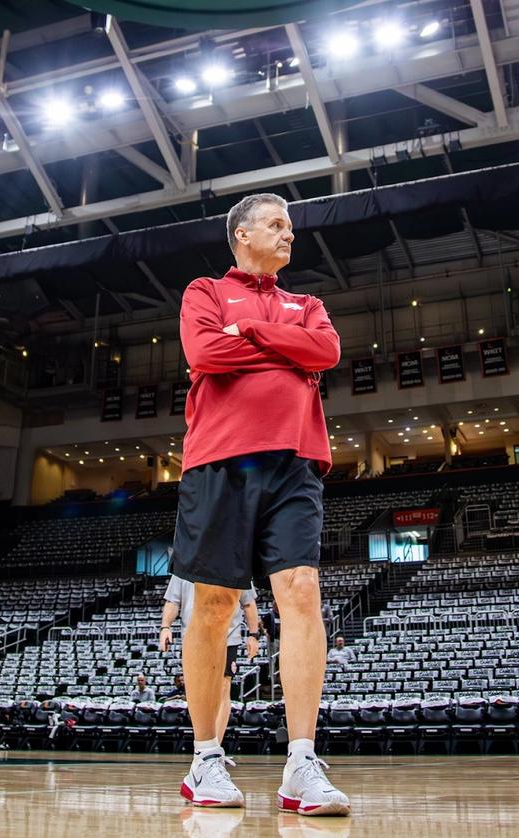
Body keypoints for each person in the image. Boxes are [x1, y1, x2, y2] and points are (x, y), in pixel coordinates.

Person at [171, 193, 349, 816]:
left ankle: (301, 763)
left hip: (297, 460)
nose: (289, 235)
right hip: (220, 460)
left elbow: (325, 353)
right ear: (241, 235)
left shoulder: (311, 305)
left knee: (301, 590)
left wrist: (251, 331)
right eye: (277, 225)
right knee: (216, 602)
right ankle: (206, 759)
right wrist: (287, 345)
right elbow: (205, 355)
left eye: (291, 227)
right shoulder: (205, 293)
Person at [160, 574, 259, 743]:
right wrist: (165, 627)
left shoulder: (237, 559)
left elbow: (248, 603)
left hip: (228, 636)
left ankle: (214, 748)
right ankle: (203, 745)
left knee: (223, 687)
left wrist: (253, 634)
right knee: (197, 692)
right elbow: (173, 601)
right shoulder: (185, 560)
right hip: (193, 636)